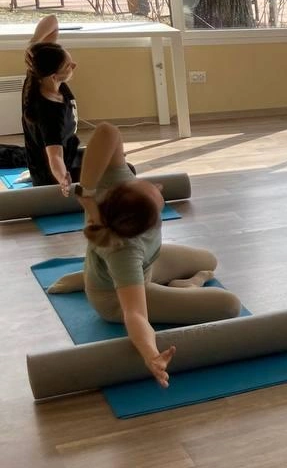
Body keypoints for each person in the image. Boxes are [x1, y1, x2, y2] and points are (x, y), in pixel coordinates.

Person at [46, 122, 241, 386]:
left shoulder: (115, 190)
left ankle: (90, 273)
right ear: (147, 222)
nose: (158, 187)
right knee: (229, 305)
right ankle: (179, 285)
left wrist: (85, 193)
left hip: (147, 265)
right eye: (155, 193)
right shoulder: (125, 251)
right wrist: (151, 354)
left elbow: (107, 131)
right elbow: (135, 314)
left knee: (209, 260)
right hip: (114, 299)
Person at [16, 14, 82, 191]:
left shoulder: (38, 75)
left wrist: (33, 43)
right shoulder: (49, 113)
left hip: (68, 156)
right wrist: (64, 180)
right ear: (54, 76)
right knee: (125, 170)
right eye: (68, 65)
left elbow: (52, 20)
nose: (74, 65)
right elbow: (55, 157)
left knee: (113, 157)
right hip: (52, 178)